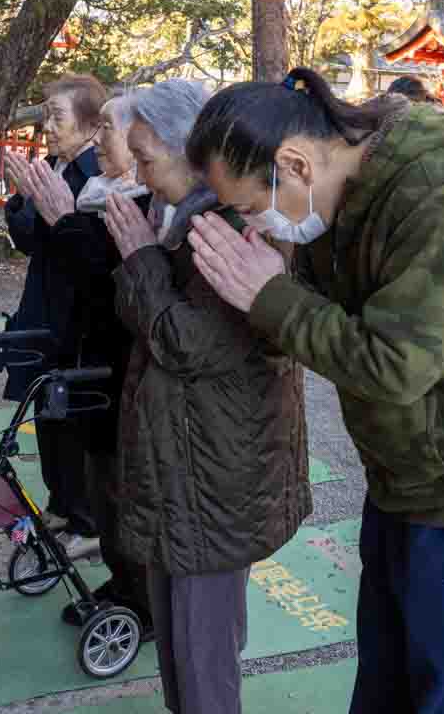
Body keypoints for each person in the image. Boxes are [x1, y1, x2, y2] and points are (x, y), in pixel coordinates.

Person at [183, 69, 444, 714]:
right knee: (389, 681)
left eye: (252, 206)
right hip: (404, 478)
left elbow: (397, 365)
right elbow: (318, 321)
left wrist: (269, 296)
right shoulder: (341, 197)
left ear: (295, 162)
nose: (254, 224)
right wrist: (271, 291)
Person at [101, 79, 310, 714]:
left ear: (194, 152)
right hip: (193, 461)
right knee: (186, 639)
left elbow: (188, 342)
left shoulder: (231, 222)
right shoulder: (191, 215)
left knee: (203, 651)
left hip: (216, 469)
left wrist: (137, 256)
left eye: (147, 157)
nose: (138, 172)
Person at [27, 93, 153, 630]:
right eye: (98, 127)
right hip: (90, 359)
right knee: (101, 484)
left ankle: (144, 603)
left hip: (123, 368)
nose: (99, 139)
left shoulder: (149, 202)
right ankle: (120, 582)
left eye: (109, 129)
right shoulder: (102, 190)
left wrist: (62, 221)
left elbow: (111, 283)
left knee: (126, 490)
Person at [0, 74, 109, 556]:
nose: (46, 124)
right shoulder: (52, 166)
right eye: (45, 113)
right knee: (47, 415)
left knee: (73, 420)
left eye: (56, 115)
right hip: (42, 309)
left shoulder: (97, 175)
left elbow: (79, 249)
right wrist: (22, 197)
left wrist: (49, 211)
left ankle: (88, 522)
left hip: (76, 318)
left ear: (89, 124)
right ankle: (61, 503)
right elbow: (29, 242)